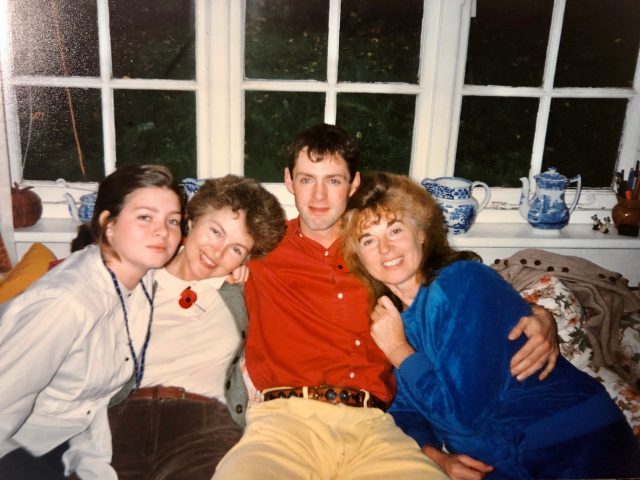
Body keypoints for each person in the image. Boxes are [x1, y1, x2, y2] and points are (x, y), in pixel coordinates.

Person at [212, 123, 559, 479]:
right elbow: (183, 265)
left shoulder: (382, 254)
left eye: (333, 180)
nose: (318, 196)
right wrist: (228, 267)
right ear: (288, 181)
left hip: (377, 427)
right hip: (286, 423)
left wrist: (539, 314)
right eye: (306, 179)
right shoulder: (261, 246)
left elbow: (459, 290)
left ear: (354, 184)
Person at [342, 172, 640, 480]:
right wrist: (437, 457)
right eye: (368, 240)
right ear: (360, 257)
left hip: (576, 449)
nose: (385, 249)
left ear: (421, 234)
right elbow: (405, 410)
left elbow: (463, 417)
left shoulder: (462, 282)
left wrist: (398, 350)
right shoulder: (394, 319)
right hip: (508, 463)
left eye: (395, 230)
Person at [0, 164, 184, 480]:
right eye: (145, 217)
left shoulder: (143, 276)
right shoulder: (67, 304)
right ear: (108, 224)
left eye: (173, 221)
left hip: (78, 436)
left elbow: (202, 258)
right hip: (17, 442)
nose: (163, 231)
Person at [107, 175, 287, 480]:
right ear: (192, 219)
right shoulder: (137, 276)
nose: (216, 253)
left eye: (236, 249)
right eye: (215, 231)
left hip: (203, 428)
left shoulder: (240, 290)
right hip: (122, 420)